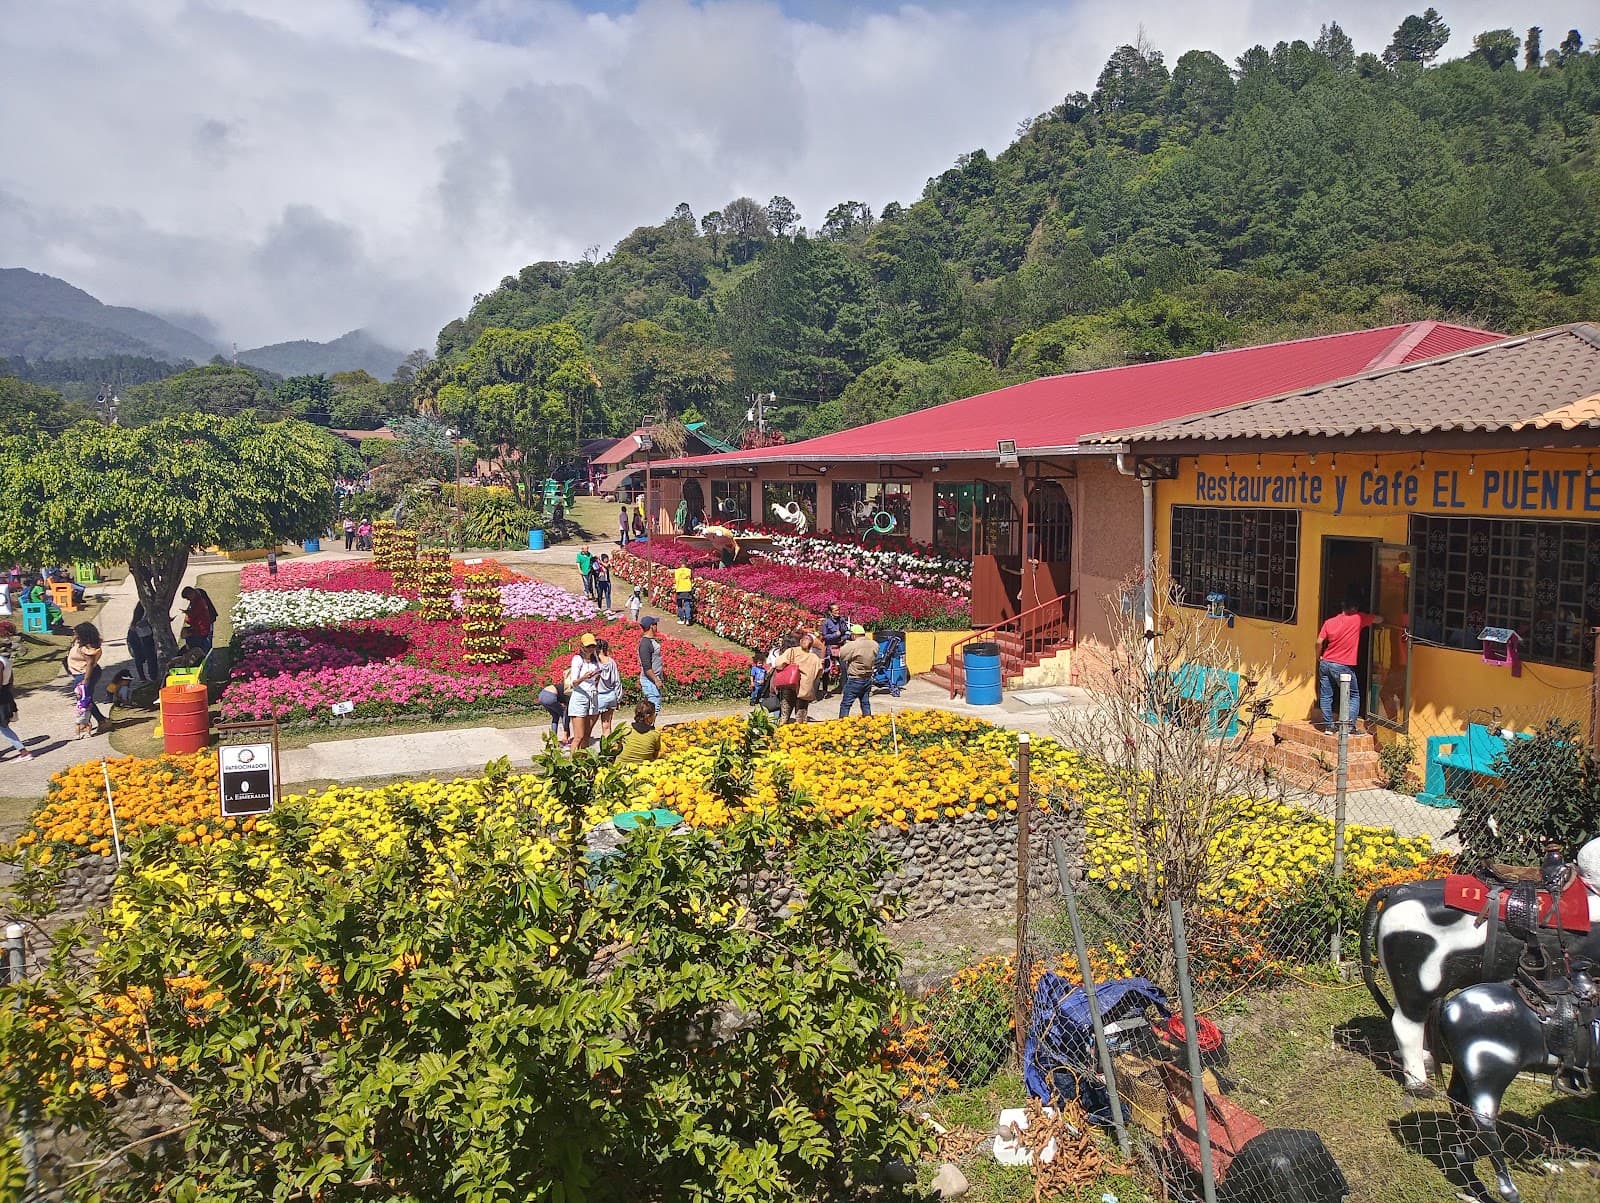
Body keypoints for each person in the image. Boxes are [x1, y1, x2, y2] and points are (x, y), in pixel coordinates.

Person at [1315, 590, 1383, 730]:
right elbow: (1379, 619)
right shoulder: (1358, 618)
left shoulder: (1329, 622)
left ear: (1343, 606)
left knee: (1326, 695)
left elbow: (1318, 642)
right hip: (1343, 666)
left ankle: (1328, 726)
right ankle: (1349, 727)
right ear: (1355, 607)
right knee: (1353, 695)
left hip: (1326, 662)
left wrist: (1319, 657)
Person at [773, 633, 824, 725]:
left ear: (800, 641)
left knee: (785, 713)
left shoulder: (792, 651)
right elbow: (819, 673)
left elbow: (778, 663)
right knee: (801, 717)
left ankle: (782, 729)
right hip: (805, 689)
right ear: (811, 645)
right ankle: (799, 731)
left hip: (790, 684)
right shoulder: (814, 658)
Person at [565, 632, 604, 750]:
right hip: (580, 697)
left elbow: (599, 672)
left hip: (592, 696)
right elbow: (574, 683)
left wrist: (597, 676)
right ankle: (573, 759)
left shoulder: (595, 658)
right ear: (582, 646)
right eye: (588, 646)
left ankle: (584, 758)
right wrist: (584, 677)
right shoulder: (577, 659)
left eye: (593, 646)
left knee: (587, 735)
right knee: (579, 736)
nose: (591, 649)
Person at [67, 621, 106, 738]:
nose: (75, 634)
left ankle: (93, 722)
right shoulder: (79, 642)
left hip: (84, 674)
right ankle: (95, 721)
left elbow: (90, 663)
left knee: (84, 700)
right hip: (78, 673)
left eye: (77, 633)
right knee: (86, 699)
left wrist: (86, 680)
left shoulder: (87, 648)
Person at [0, 624, 32, 762]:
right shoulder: (6, 661)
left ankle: (23, 751)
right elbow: (10, 680)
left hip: (1, 696)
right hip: (5, 693)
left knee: (3, 727)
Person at [836, 623, 878, 719]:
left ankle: (843, 723)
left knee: (846, 704)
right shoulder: (874, 644)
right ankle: (868, 721)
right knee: (865, 702)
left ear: (854, 635)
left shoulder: (853, 645)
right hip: (868, 678)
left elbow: (841, 655)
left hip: (855, 678)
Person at [615, 700, 662, 765]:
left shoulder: (625, 729)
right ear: (648, 716)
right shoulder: (655, 734)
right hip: (643, 768)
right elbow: (655, 755)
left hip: (620, 766)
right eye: (654, 714)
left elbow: (618, 748)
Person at [594, 637, 623, 738]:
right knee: (607, 726)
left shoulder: (594, 663)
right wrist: (618, 698)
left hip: (598, 696)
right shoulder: (611, 662)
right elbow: (617, 681)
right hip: (610, 695)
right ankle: (608, 745)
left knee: (589, 726)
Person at [820, 603, 849, 697]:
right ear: (830, 612)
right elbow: (824, 636)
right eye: (835, 610)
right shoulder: (826, 622)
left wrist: (843, 638)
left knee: (844, 668)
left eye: (838, 610)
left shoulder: (842, 620)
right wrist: (835, 635)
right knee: (827, 669)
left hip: (840, 647)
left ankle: (844, 689)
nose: (838, 612)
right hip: (830, 647)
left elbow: (847, 632)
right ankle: (825, 690)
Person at [179, 586, 218, 655]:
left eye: (188, 598)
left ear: (191, 594)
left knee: (206, 644)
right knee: (206, 642)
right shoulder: (198, 596)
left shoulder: (198, 601)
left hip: (204, 625)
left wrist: (189, 614)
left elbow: (193, 616)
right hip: (203, 624)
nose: (188, 600)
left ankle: (208, 656)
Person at [537, 675, 573, 748]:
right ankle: (566, 737)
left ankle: (554, 741)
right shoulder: (569, 692)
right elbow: (566, 714)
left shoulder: (564, 687)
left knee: (555, 716)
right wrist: (567, 731)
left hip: (541, 695)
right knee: (565, 714)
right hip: (550, 696)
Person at [126, 603, 158, 684]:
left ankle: (144, 677)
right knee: (149, 656)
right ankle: (151, 676)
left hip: (137, 634)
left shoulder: (140, 612)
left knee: (140, 657)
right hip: (142, 635)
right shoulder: (146, 611)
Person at [637, 615, 664, 709]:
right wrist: (656, 680)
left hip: (653, 680)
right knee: (653, 709)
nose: (657, 626)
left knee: (654, 708)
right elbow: (646, 667)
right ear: (651, 626)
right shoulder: (645, 644)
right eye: (655, 624)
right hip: (650, 682)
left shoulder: (651, 641)